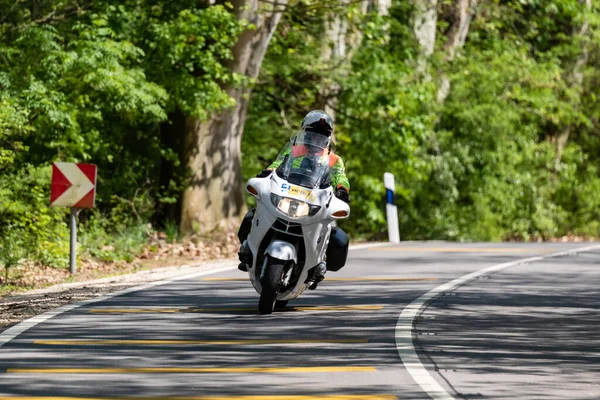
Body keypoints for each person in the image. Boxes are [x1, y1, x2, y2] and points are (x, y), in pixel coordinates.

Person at [237, 110, 350, 290]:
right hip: (288, 193)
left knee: (334, 232)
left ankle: (318, 265)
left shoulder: (334, 159)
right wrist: (268, 172)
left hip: (313, 198)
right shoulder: (294, 149)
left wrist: (342, 190)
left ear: (328, 136)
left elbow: (340, 176)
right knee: (252, 215)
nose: (317, 137)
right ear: (304, 131)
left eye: (322, 134)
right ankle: (248, 249)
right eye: (313, 132)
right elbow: (277, 164)